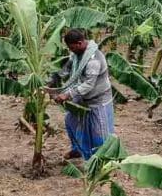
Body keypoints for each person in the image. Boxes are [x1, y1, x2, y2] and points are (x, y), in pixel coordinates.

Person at [46, 28, 115, 160]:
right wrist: (52, 81)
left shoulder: (93, 60)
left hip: (98, 99)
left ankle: (102, 160)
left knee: (99, 133)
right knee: (71, 121)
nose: (71, 50)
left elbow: (88, 85)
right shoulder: (77, 55)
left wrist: (67, 95)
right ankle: (78, 149)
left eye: (72, 47)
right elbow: (67, 68)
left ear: (79, 43)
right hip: (82, 97)